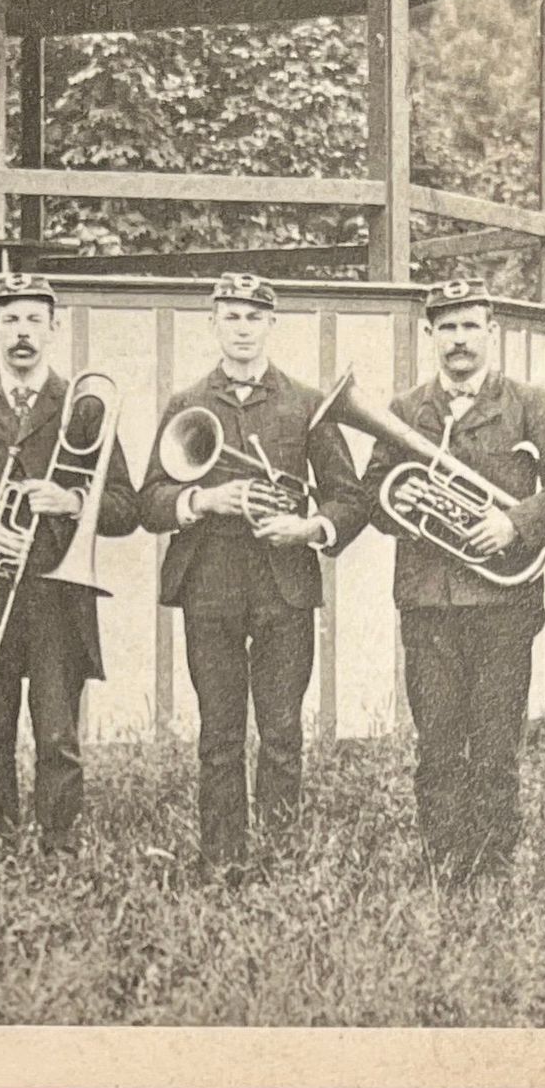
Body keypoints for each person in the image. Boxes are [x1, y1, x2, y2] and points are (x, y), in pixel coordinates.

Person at [359, 278, 545, 883]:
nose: (459, 339)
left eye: (470, 326)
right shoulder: (405, 411)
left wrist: (515, 524)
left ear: (492, 332)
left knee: (494, 746)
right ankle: (442, 862)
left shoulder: (531, 404)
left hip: (503, 603)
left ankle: (491, 864)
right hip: (428, 604)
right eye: (447, 326)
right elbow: (371, 497)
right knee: (437, 745)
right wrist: (400, 499)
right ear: (430, 334)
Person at [138, 272, 370, 879]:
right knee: (218, 734)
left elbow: (350, 497)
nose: (242, 327)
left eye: (253, 316)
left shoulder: (306, 402)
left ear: (272, 323)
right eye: (230, 315)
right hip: (208, 580)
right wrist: (204, 502)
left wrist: (309, 527)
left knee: (282, 731)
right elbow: (149, 499)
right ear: (213, 322)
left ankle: (279, 856)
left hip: (283, 584)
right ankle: (220, 860)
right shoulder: (185, 403)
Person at [0, 273, 140, 861]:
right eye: (10, 320)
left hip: (58, 598)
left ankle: (60, 849)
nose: (22, 333)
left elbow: (126, 506)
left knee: (59, 737)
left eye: (35, 320)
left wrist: (74, 502)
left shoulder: (83, 408)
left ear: (54, 330)